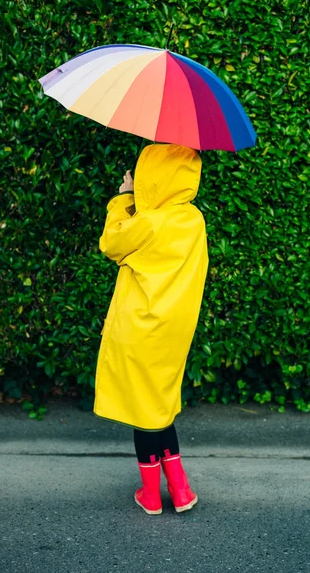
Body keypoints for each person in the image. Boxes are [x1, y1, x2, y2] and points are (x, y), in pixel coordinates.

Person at [94, 143, 209, 515]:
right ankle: (179, 488)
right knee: (159, 407)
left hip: (139, 327)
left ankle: (151, 494)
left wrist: (123, 198)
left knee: (144, 412)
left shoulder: (147, 222)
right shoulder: (193, 220)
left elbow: (111, 243)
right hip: (173, 331)